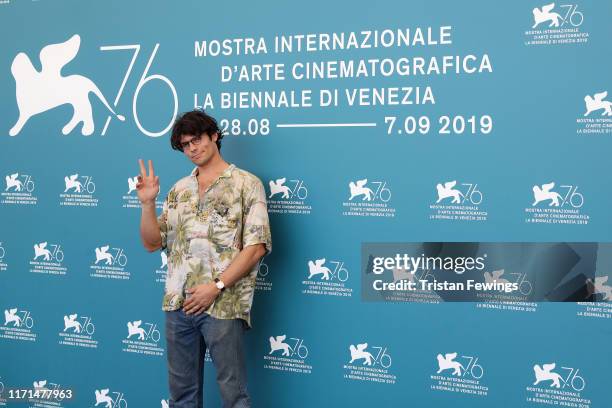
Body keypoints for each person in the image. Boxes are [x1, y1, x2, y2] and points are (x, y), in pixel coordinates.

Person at [136, 110, 271, 408]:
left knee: (233, 396)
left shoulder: (246, 184)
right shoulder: (178, 190)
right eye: (185, 145)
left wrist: (217, 286)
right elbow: (151, 243)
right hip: (178, 304)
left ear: (214, 136)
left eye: (196, 140)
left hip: (222, 304)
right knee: (181, 397)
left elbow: (256, 246)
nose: (192, 148)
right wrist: (147, 204)